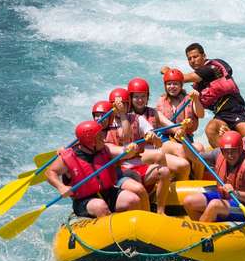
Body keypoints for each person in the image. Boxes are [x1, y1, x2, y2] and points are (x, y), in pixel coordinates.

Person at [45, 120, 147, 218]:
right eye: (100, 136)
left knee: (133, 200)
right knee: (100, 206)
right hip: (85, 200)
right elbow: (49, 172)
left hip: (108, 192)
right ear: (91, 142)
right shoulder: (68, 157)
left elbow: (123, 152)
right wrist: (61, 187)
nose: (103, 138)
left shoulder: (105, 148)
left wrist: (131, 149)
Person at [161, 43, 245, 147]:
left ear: (204, 56)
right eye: (189, 58)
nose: (193, 60)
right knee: (211, 129)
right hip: (221, 115)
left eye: (195, 57)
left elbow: (184, 78)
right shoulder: (198, 85)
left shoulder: (212, 68)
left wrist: (168, 72)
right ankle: (223, 160)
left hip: (236, 110)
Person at [106, 87, 171, 215]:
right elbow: (124, 136)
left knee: (164, 171)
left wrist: (153, 138)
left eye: (124, 105)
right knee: (135, 183)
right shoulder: (106, 123)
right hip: (120, 170)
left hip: (138, 164)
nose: (120, 108)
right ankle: (145, 213)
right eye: (117, 105)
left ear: (128, 104)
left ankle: (160, 211)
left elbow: (156, 142)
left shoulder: (136, 119)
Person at [182, 131, 245, 222]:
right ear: (222, 150)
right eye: (226, 151)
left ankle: (201, 230)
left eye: (233, 151)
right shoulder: (218, 154)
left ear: (240, 149)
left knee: (214, 205)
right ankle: (205, 226)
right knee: (189, 201)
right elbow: (195, 157)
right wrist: (184, 138)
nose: (230, 155)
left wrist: (236, 193)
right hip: (225, 197)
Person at [127, 77, 191, 181]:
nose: (140, 100)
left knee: (181, 150)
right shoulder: (126, 117)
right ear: (130, 98)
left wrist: (180, 129)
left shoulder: (154, 112)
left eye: (143, 96)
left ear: (147, 97)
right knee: (183, 165)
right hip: (139, 152)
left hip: (156, 147)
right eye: (136, 97)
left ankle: (179, 182)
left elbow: (170, 125)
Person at [155, 68, 206, 179]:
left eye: (175, 84)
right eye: (169, 84)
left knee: (200, 148)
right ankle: (186, 179)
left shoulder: (189, 99)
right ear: (165, 86)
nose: (172, 87)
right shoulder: (161, 100)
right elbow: (160, 119)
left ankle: (197, 181)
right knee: (180, 149)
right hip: (165, 139)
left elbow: (201, 114)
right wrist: (177, 130)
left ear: (181, 85)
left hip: (186, 138)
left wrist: (196, 100)